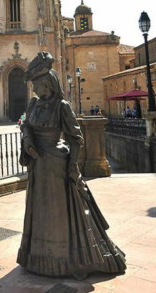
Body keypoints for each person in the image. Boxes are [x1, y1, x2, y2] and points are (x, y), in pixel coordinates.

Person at [17, 51, 126, 280]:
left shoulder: (62, 106)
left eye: (37, 85)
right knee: (41, 210)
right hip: (38, 165)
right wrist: (27, 141)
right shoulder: (34, 104)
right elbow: (26, 125)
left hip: (57, 165)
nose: (34, 89)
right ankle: (38, 257)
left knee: (59, 212)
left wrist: (73, 167)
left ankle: (62, 260)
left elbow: (76, 138)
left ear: (47, 84)